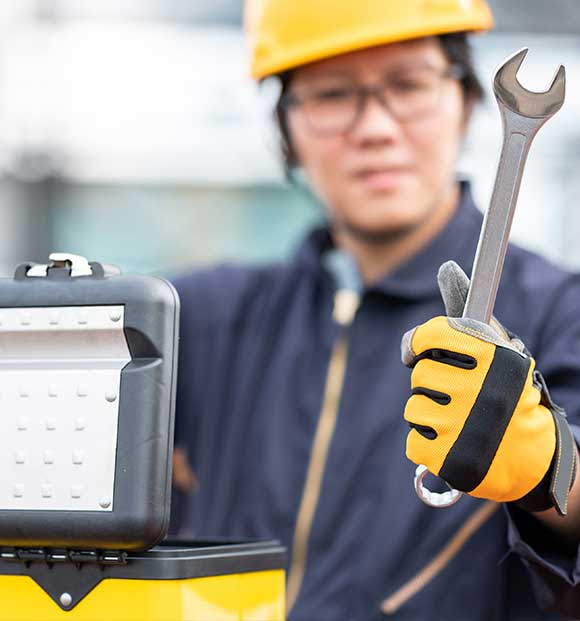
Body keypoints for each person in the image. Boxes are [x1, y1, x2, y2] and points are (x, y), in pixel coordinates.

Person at [171, 1, 580, 618]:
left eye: (409, 85)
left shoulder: (560, 311)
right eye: (333, 94)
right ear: (285, 129)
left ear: (466, 101)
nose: (376, 128)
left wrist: (550, 470)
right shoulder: (199, 321)